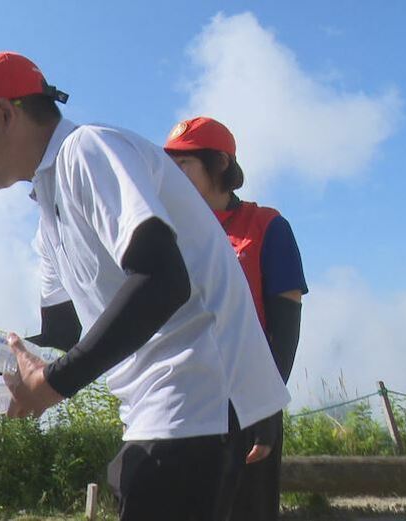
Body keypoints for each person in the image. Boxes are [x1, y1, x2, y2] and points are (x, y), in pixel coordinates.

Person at [0, 51, 290, 521]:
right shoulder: (47, 212)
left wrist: (53, 384)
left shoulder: (88, 151)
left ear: (7, 113)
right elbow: (61, 337)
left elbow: (163, 278)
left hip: (203, 400)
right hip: (163, 411)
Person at [164, 117, 308, 521]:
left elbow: (285, 329)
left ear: (220, 163)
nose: (172, 177)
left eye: (183, 165)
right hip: (183, 398)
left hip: (244, 398)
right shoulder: (173, 234)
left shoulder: (268, 226)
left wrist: (267, 407)